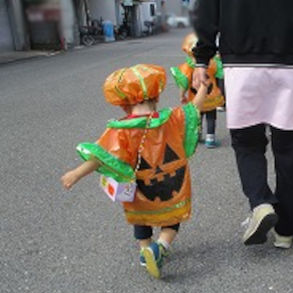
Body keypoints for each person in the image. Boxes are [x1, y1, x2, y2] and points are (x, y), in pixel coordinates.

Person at [192, 0, 293, 249]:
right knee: (291, 149)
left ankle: (260, 202)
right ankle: (286, 230)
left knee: (247, 143)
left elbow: (207, 9)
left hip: (241, 64)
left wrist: (202, 59)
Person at [61, 64, 208, 279]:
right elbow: (194, 109)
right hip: (172, 187)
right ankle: (161, 247)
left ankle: (145, 249)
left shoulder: (120, 131)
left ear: (125, 105)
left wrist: (76, 173)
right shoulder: (172, 119)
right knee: (172, 218)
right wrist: (203, 88)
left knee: (141, 218)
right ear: (156, 97)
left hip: (140, 191)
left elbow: (101, 156)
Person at [171, 33, 225, 149]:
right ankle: (210, 138)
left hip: (195, 98)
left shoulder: (187, 66)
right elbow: (220, 75)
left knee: (197, 116)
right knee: (211, 117)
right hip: (212, 97)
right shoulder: (213, 63)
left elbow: (183, 82)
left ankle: (198, 135)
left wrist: (182, 95)